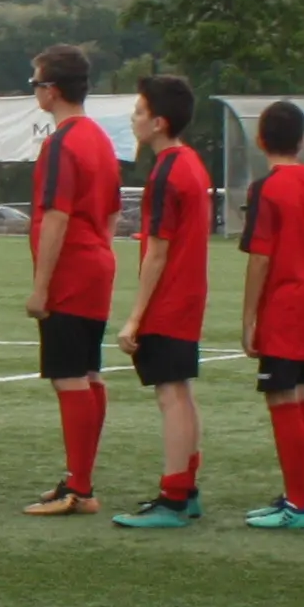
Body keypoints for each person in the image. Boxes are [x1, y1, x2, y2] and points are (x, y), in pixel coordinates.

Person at [20, 46, 123, 516]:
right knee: (87, 372)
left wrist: (41, 285)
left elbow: (57, 215)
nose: (35, 92)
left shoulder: (61, 142)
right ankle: (81, 478)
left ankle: (78, 487)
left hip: (71, 271)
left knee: (67, 377)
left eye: (37, 83)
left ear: (53, 90)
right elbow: (113, 211)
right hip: (97, 264)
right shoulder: (100, 138)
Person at [112, 74, 213, 527]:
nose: (133, 119)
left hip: (170, 300)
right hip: (189, 296)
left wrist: (134, 318)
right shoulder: (191, 163)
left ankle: (173, 497)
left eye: (139, 111)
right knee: (182, 395)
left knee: (170, 396)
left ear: (158, 122)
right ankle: (185, 489)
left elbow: (157, 250)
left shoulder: (167, 173)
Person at [234, 102, 304, 529]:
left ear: (261, 140)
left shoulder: (267, 189)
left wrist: (249, 319)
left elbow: (261, 257)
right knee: (299, 394)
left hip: (285, 302)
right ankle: (298, 496)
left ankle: (298, 505)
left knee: (281, 397)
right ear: (301, 140)